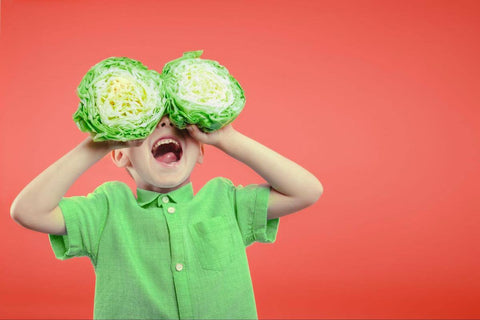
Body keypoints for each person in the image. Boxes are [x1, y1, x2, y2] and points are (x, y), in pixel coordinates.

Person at [10, 115, 323, 319]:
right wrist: (97, 143)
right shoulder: (106, 209)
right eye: (148, 126)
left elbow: (307, 191)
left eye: (178, 125)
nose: (165, 127)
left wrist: (230, 138)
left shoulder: (225, 200)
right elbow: (28, 211)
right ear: (120, 154)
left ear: (201, 151)